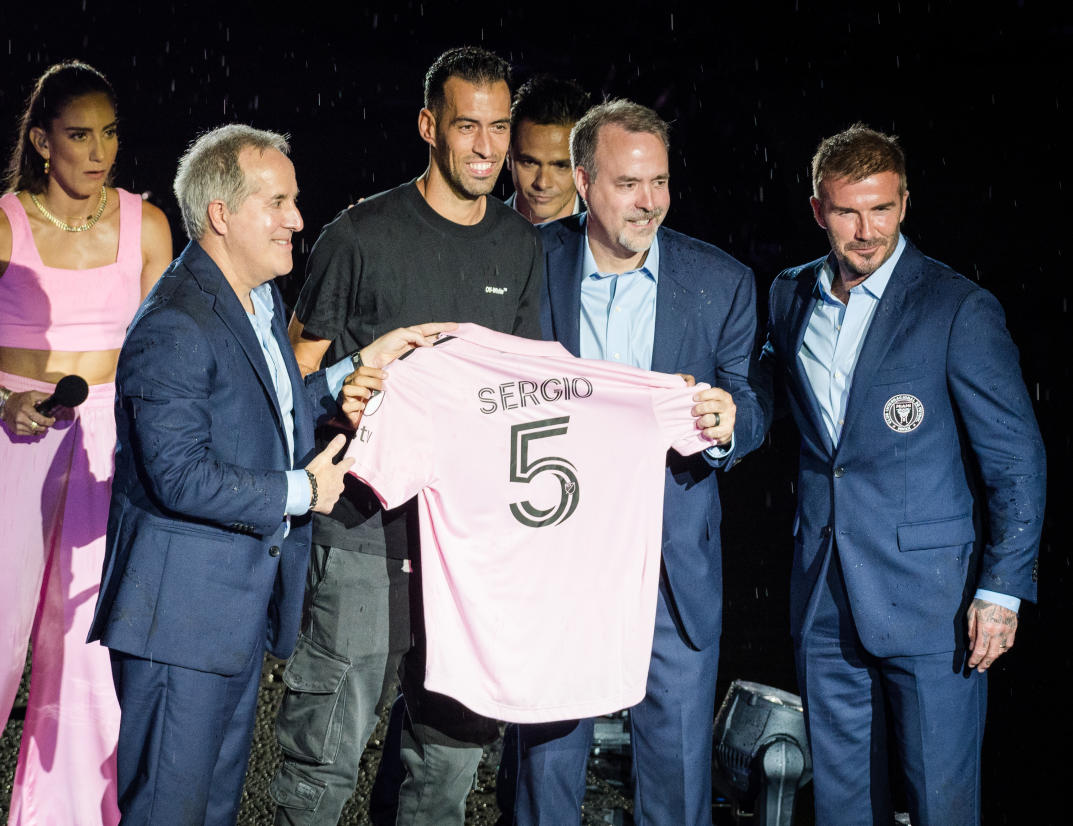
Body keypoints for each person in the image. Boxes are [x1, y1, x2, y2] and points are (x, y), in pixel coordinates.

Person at [85, 124, 446, 826]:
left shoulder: (255, 300)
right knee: (167, 812)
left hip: (229, 618)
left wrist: (357, 365)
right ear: (221, 214)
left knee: (211, 811)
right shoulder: (175, 325)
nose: (297, 220)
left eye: (295, 201)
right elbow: (178, 476)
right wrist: (303, 491)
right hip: (178, 628)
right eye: (277, 202)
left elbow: (274, 410)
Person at [269, 46, 544, 826]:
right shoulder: (359, 235)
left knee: (444, 773)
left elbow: (522, 389)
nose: (487, 148)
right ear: (429, 126)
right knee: (322, 764)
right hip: (360, 533)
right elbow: (291, 372)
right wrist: (340, 394)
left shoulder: (519, 248)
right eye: (467, 127)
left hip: (467, 549)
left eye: (499, 127)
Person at [0, 61, 173, 826]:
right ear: (43, 141)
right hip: (15, 438)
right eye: (79, 135)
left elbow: (161, 349)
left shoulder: (147, 225)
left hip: (110, 439)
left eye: (109, 134)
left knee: (85, 639)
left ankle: (68, 815)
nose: (98, 152)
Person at [762, 124, 1045, 825]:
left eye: (881, 209)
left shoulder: (955, 308)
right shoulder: (789, 295)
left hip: (935, 605)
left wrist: (1001, 590)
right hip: (824, 593)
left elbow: (1015, 460)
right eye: (847, 211)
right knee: (841, 806)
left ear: (905, 203)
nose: (865, 230)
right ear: (816, 209)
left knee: (939, 806)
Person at [499, 100, 768, 826]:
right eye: (627, 184)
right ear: (583, 182)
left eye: (659, 183)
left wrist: (727, 424)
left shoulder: (721, 283)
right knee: (545, 769)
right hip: (556, 558)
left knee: (677, 780)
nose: (647, 202)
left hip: (669, 567)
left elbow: (748, 396)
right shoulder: (527, 260)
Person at [505, 74, 591, 224]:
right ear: (508, 156)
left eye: (560, 166)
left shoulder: (613, 236)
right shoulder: (474, 234)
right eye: (529, 162)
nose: (543, 183)